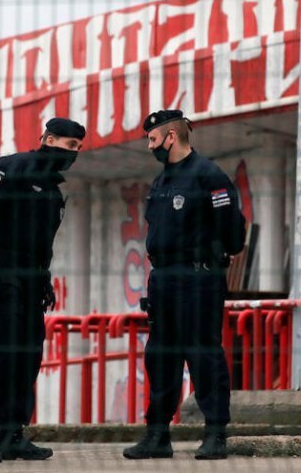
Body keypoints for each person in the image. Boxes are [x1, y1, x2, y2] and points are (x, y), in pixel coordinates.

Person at [123, 109, 246, 461]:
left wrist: (217, 256)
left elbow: (233, 233)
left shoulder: (209, 176)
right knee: (160, 356)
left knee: (203, 354)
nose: (150, 146)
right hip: (163, 279)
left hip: (198, 279)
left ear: (171, 137)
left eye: (153, 139)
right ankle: (157, 435)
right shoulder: (162, 180)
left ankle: (215, 434)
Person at [0, 117, 85, 464]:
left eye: (77, 148)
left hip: (32, 280)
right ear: (47, 138)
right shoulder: (12, 168)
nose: (73, 153)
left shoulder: (53, 190)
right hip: (1, 272)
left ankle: (14, 434)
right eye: (68, 145)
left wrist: (44, 280)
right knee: (1, 351)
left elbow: (42, 243)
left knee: (28, 356)